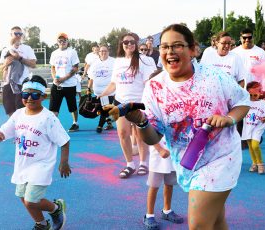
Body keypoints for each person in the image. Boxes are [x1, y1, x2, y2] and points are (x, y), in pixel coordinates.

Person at [126, 24, 250, 229]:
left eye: (177, 46)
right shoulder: (154, 87)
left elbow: (242, 102)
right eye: (164, 47)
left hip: (221, 158)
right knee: (217, 222)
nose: (170, 52)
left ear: (193, 49)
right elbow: (153, 137)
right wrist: (140, 121)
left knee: (199, 225)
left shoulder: (214, 77)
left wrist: (228, 119)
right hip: (187, 161)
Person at [0, 75, 71, 230]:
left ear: (43, 96)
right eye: (25, 94)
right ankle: (41, 224)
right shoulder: (19, 114)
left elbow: (64, 141)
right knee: (22, 196)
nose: (29, 98)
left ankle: (56, 208)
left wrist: (64, 162)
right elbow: (6, 129)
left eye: (34, 95)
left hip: (41, 165)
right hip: (23, 164)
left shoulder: (49, 118)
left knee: (31, 200)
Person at [99, 32, 156, 178]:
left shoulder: (145, 61)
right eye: (126, 42)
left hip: (138, 102)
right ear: (122, 45)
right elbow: (113, 84)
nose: (129, 44)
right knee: (122, 133)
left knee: (140, 134)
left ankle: (143, 163)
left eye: (132, 42)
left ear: (137, 44)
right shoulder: (118, 62)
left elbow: (149, 83)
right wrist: (101, 94)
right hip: (120, 102)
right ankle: (130, 164)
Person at [143, 137, 184, 229]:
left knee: (169, 184)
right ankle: (149, 215)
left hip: (173, 155)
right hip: (158, 156)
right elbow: (149, 136)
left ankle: (167, 211)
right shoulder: (154, 121)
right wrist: (160, 150)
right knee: (154, 186)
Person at [0, 26, 37, 117]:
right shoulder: (5, 50)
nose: (18, 36)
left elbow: (33, 64)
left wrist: (19, 58)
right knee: (9, 109)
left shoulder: (27, 48)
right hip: (8, 83)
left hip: (22, 83)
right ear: (11, 35)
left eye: (20, 34)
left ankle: (22, 129)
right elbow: (1, 68)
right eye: (16, 34)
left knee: (21, 110)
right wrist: (6, 64)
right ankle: (15, 129)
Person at [49, 33, 80, 132]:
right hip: (57, 84)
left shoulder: (72, 52)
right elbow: (53, 67)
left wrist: (64, 78)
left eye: (64, 40)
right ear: (57, 42)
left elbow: (75, 68)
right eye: (60, 40)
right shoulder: (54, 53)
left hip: (69, 84)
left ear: (67, 41)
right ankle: (54, 126)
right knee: (53, 107)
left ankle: (75, 123)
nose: (62, 42)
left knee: (72, 107)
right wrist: (55, 78)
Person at [242, 81, 265, 174]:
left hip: (258, 127)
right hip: (247, 126)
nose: (253, 97)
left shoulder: (264, 103)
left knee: (255, 145)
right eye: (250, 95)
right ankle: (254, 163)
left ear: (260, 93)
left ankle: (260, 164)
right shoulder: (245, 102)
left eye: (255, 95)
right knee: (250, 145)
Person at [87, 45, 115, 133]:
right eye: (101, 51)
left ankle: (100, 126)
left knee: (104, 108)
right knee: (100, 108)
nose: (103, 53)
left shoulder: (113, 62)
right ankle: (109, 122)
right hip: (97, 91)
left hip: (109, 91)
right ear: (98, 52)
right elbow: (91, 78)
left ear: (108, 52)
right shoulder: (95, 63)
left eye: (105, 51)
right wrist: (88, 88)